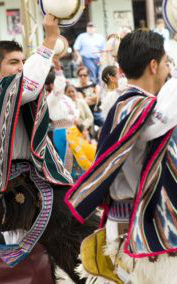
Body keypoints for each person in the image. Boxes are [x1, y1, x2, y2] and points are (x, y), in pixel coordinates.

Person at [0, 14, 98, 284]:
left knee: (63, 248)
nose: (20, 67)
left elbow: (32, 87)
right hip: (12, 190)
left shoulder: (15, 93)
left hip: (35, 181)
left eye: (23, 62)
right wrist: (48, 40)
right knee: (25, 258)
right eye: (13, 62)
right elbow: (30, 85)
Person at [66, 30, 177, 283]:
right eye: (165, 62)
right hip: (141, 231)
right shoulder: (142, 108)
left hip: (123, 224)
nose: (167, 69)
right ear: (153, 65)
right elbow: (167, 113)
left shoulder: (124, 104)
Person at [47, 57, 96, 181]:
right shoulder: (51, 99)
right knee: (68, 161)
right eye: (57, 82)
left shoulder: (66, 98)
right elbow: (58, 89)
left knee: (81, 160)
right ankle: (70, 188)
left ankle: (82, 185)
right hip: (62, 131)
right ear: (52, 85)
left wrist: (83, 130)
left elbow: (75, 115)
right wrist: (58, 72)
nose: (62, 84)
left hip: (74, 129)